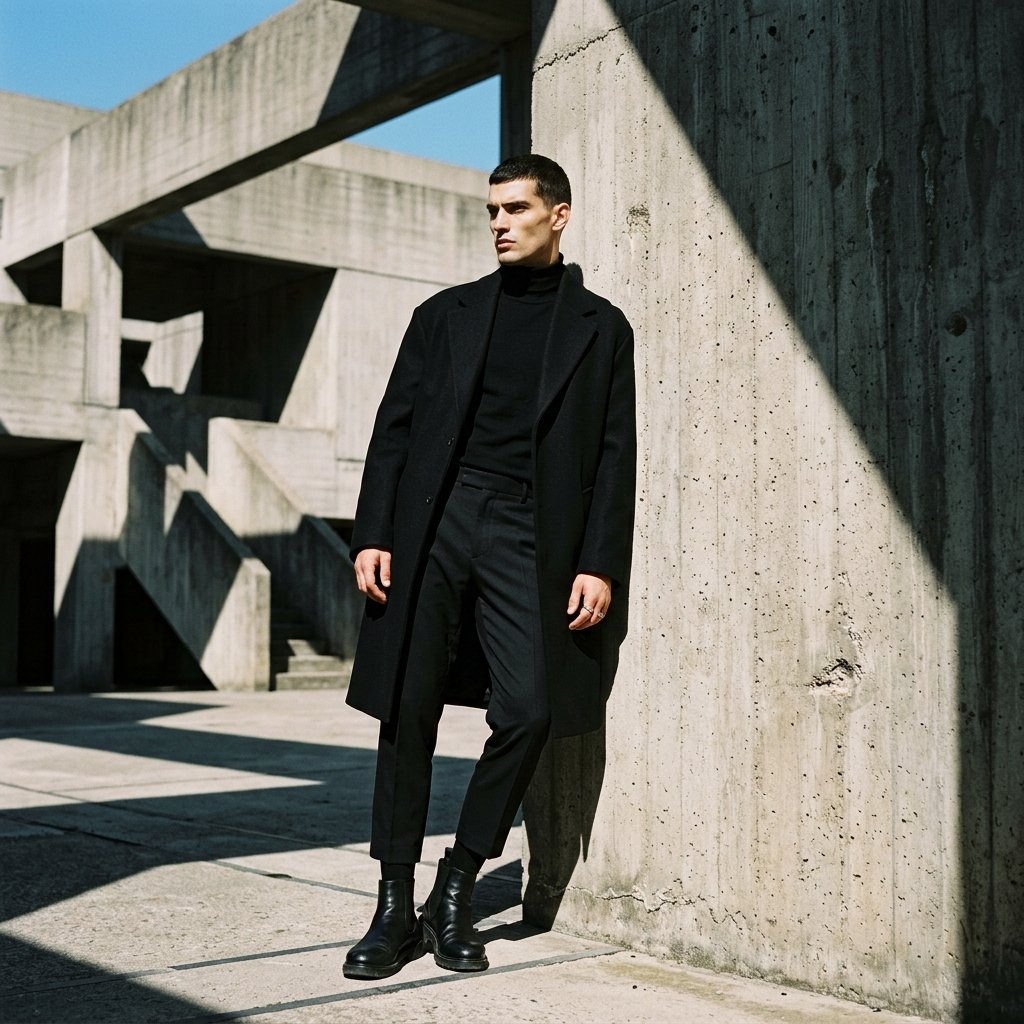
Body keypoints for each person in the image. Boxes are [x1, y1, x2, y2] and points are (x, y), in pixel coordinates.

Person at [342, 154, 636, 980]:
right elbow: (393, 428)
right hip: (436, 519)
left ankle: (457, 884)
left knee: (532, 706)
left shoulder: (601, 328)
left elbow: (617, 457)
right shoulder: (445, 315)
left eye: (515, 209)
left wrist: (598, 562)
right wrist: (374, 532)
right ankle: (393, 907)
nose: (500, 223)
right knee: (408, 708)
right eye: (491, 211)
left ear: (560, 216)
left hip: (529, 534)